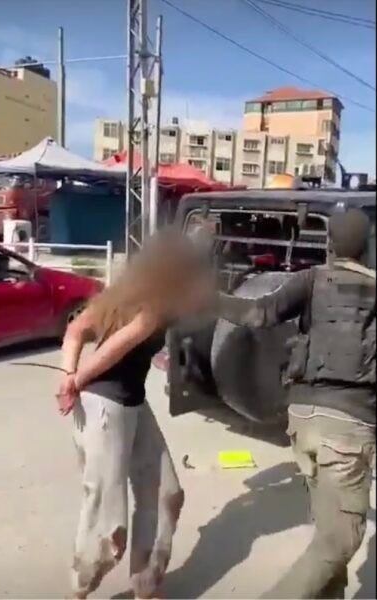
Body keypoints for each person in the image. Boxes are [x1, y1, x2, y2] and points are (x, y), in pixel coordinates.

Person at [219, 208, 376, 599]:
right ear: (367, 246)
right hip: (348, 429)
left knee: (328, 532)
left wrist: (207, 298)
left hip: (304, 422)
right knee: (341, 539)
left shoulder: (311, 280)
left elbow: (257, 314)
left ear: (330, 244)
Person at [57, 230, 215, 600]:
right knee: (107, 522)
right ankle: (79, 590)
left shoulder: (143, 295)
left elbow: (76, 331)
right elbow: (111, 343)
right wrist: (72, 379)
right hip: (104, 410)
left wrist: (70, 376)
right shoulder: (150, 304)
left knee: (166, 494)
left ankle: (146, 585)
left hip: (133, 403)